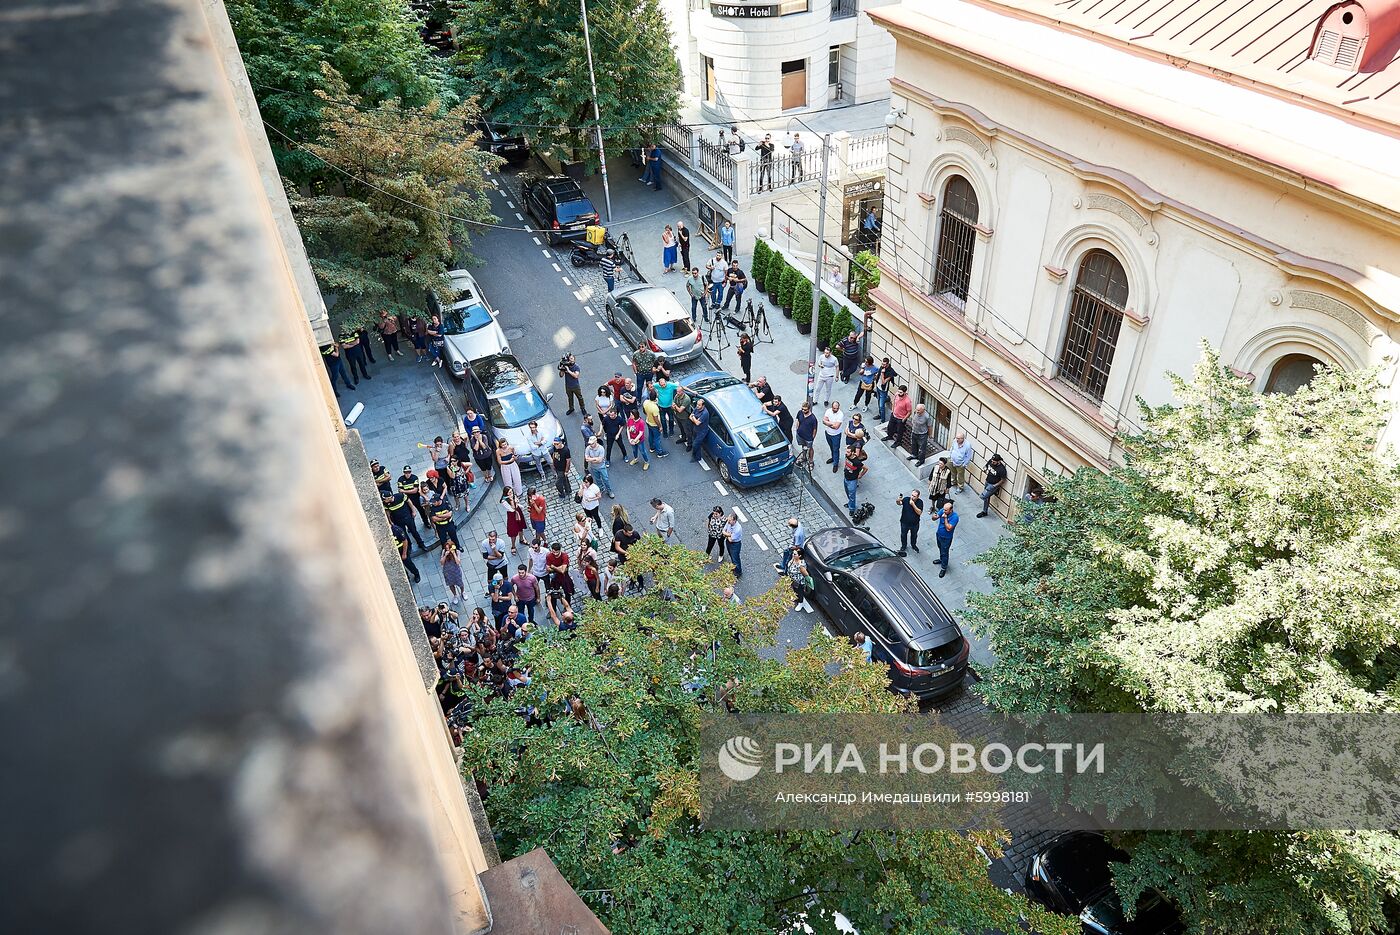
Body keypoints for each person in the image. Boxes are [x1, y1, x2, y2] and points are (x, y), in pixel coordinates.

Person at [977, 453, 1009, 517]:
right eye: (992, 461)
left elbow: (1003, 480)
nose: (992, 462)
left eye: (994, 462)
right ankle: (984, 511)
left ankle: (994, 491)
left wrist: (994, 486)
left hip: (993, 485)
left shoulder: (1002, 469)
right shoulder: (991, 461)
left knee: (983, 496)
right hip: (987, 481)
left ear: (999, 461)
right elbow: (986, 466)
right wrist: (985, 469)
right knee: (986, 498)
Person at [934, 500, 959, 578]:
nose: (943, 511)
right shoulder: (943, 510)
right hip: (939, 534)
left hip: (946, 538)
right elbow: (934, 518)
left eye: (946, 510)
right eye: (943, 509)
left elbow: (949, 528)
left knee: (945, 552)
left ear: (951, 510)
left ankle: (944, 567)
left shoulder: (955, 517)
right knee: (940, 548)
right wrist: (935, 516)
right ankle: (941, 560)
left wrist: (945, 518)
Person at [843, 439, 868, 515]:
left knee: (852, 495)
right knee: (847, 492)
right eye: (846, 451)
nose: (846, 453)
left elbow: (866, 468)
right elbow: (846, 462)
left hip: (852, 480)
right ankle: (850, 503)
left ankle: (852, 508)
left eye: (848, 452)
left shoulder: (856, 462)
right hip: (846, 477)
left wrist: (860, 475)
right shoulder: (847, 456)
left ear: (853, 453)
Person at [897, 488, 924, 556]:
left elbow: (919, 512)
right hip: (904, 522)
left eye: (914, 496)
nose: (912, 497)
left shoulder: (920, 502)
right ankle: (903, 546)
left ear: (918, 497)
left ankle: (913, 545)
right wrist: (898, 500)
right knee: (903, 535)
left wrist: (913, 505)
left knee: (914, 535)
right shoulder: (906, 499)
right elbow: (899, 503)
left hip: (914, 524)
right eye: (912, 495)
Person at [642, 390, 667, 457]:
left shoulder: (646, 402)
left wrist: (648, 415)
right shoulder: (654, 408)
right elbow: (656, 418)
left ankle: (652, 447)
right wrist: (660, 426)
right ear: (656, 397)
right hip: (654, 424)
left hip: (648, 421)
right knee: (657, 438)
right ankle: (659, 452)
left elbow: (644, 410)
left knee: (651, 435)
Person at [822, 401, 845, 471]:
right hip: (828, 433)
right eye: (834, 408)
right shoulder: (828, 411)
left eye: (837, 408)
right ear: (832, 407)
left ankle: (836, 463)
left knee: (835, 449)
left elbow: (836, 427)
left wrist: (828, 423)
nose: (835, 410)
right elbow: (823, 421)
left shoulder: (840, 414)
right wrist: (832, 424)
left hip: (836, 435)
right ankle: (833, 458)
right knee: (831, 447)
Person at [795, 400, 817, 465]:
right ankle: (804, 457)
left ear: (809, 409)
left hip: (808, 438)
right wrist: (797, 429)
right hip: (800, 435)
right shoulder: (800, 413)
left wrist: (812, 438)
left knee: (810, 449)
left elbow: (815, 429)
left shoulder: (813, 418)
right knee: (803, 446)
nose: (803, 411)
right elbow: (798, 420)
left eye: (805, 410)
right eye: (802, 409)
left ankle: (811, 461)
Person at [723, 512, 744, 579]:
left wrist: (727, 534)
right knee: (731, 555)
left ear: (734, 521)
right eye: (728, 520)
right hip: (729, 542)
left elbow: (731, 539)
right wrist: (729, 534)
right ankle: (733, 567)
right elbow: (724, 531)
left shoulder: (738, 528)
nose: (728, 521)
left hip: (735, 544)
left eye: (730, 520)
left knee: (735, 558)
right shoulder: (729, 522)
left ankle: (738, 572)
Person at [673, 384, 693, 451]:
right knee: (681, 428)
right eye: (677, 391)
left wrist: (675, 406)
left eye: (679, 392)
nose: (677, 393)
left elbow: (680, 410)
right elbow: (674, 403)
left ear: (682, 392)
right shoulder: (677, 396)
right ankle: (683, 438)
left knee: (688, 431)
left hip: (685, 418)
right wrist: (674, 406)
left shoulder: (686, 399)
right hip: (678, 416)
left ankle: (690, 444)